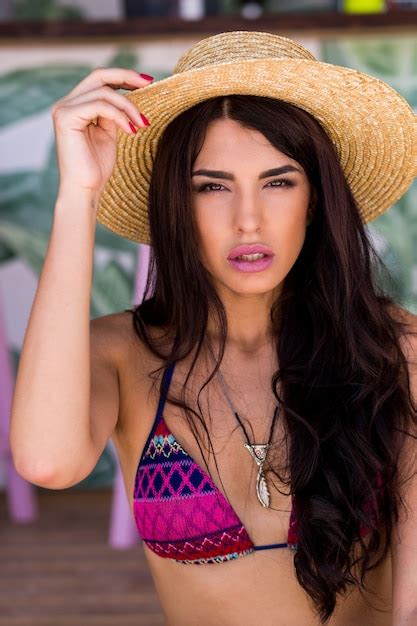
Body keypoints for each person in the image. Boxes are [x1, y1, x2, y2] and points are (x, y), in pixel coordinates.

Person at [10, 30, 417, 626]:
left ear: (317, 197)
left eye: (278, 181)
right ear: (178, 202)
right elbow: (49, 462)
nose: (248, 220)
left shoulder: (394, 348)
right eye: (211, 186)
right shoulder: (122, 354)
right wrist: (78, 197)